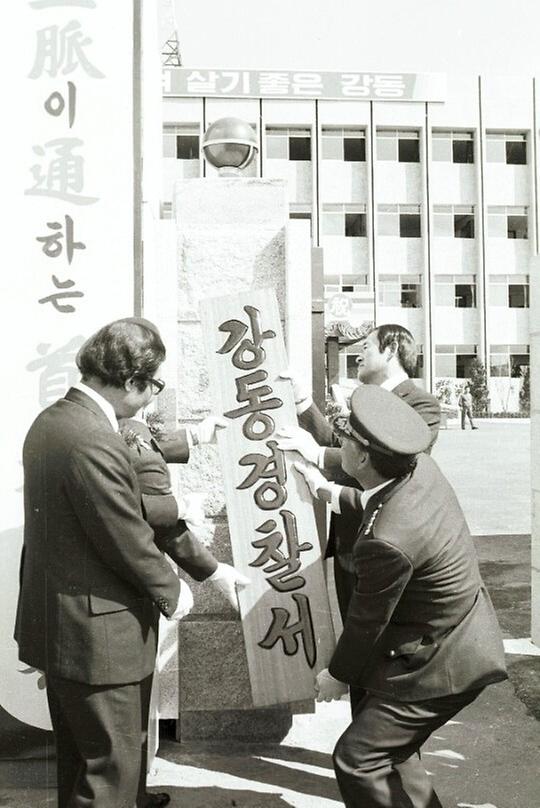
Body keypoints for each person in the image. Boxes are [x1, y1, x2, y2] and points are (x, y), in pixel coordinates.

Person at [14, 317, 247, 808]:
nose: (152, 399)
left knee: (82, 761)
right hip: (101, 638)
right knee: (111, 775)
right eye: (153, 385)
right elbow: (124, 532)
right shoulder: (94, 439)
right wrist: (174, 591)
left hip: (62, 626)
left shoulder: (54, 421)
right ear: (132, 380)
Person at [291, 385, 507, 808]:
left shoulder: (387, 541)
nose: (341, 442)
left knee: (358, 759)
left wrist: (336, 676)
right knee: (397, 756)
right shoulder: (418, 469)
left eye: (345, 438)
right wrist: (325, 490)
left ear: (363, 457)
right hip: (456, 639)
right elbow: (376, 500)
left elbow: (366, 620)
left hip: (441, 665)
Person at [279, 324, 441, 624]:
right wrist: (303, 401)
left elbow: (391, 461)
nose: (358, 356)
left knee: (376, 639)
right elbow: (346, 449)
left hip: (387, 541)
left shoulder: (422, 404)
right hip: (349, 541)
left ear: (391, 350)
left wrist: (316, 455)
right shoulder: (368, 400)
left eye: (366, 346)